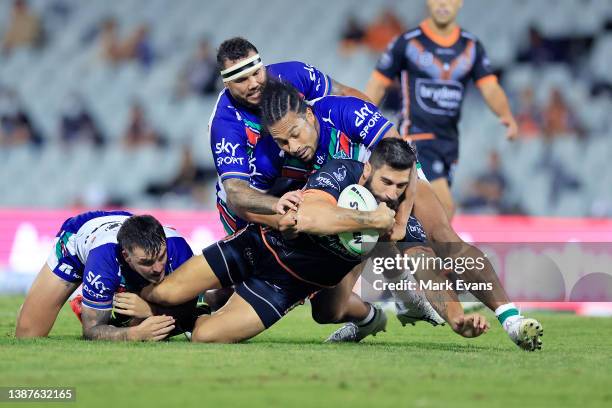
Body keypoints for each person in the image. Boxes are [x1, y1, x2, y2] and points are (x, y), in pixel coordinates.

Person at [258, 83, 543, 351]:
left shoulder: (345, 112)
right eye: (283, 142)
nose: (292, 147)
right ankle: (377, 315)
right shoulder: (280, 154)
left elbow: (404, 155)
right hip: (353, 205)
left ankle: (511, 321)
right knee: (326, 310)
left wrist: (401, 220)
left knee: (440, 239)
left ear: (308, 114)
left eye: (295, 134)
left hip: (395, 179)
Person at [141, 139, 490, 343]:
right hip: (257, 245)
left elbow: (424, 267)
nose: (392, 194)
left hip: (284, 287)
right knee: (164, 293)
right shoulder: (341, 171)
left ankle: (186, 317)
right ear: (368, 170)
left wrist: (457, 316)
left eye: (401, 187)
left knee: (204, 336)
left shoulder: (398, 221)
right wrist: (370, 220)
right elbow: (309, 217)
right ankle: (117, 305)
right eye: (386, 182)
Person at [364, 0, 518, 220]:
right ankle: (433, 254)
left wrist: (506, 115)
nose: (443, 4)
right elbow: (378, 83)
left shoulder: (470, 46)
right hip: (416, 137)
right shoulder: (407, 43)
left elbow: (490, 86)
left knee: (420, 210)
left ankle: (402, 249)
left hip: (448, 143)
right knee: (443, 206)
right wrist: (361, 121)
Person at [209, 37, 370, 235]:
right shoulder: (225, 125)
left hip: (296, 176)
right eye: (241, 79)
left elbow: (346, 94)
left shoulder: (294, 74)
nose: (253, 84)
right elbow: (236, 192)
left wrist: (378, 130)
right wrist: (277, 208)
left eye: (256, 73)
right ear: (226, 84)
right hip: (251, 205)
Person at [15, 212, 200, 341]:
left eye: (161, 257)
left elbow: (192, 308)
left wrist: (151, 310)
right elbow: (91, 330)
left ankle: (101, 303)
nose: (158, 268)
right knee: (28, 333)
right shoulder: (103, 259)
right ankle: (92, 298)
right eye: (147, 262)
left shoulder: (178, 248)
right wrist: (135, 334)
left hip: (119, 231)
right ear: (126, 256)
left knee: (141, 310)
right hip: (77, 241)